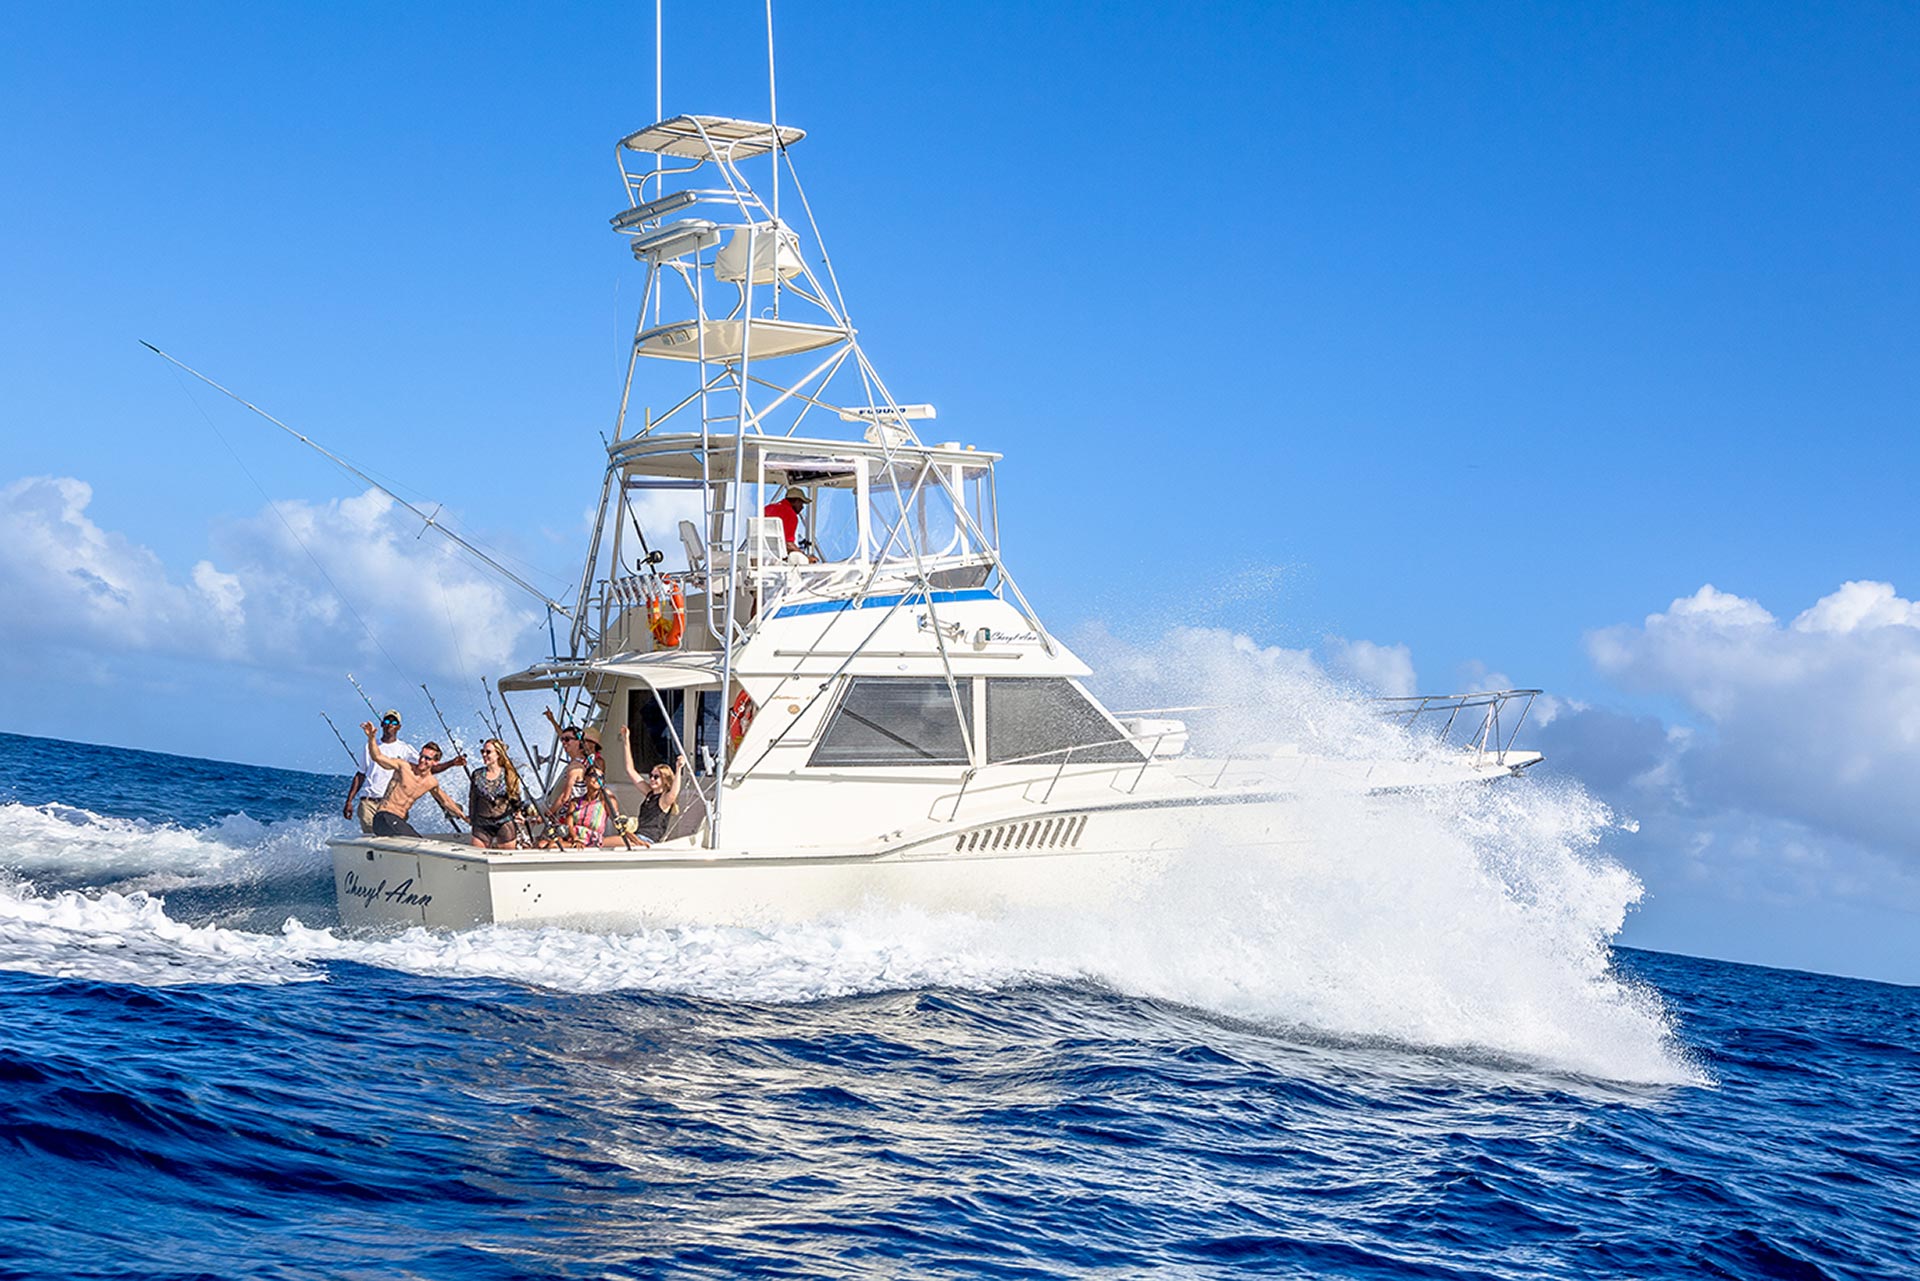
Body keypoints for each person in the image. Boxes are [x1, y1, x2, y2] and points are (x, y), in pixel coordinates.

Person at [362, 722, 468, 838]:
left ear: (435, 762)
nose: (422, 760)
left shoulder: (431, 782)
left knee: (417, 841)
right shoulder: (404, 766)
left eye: (427, 758)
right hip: (384, 817)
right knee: (418, 842)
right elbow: (378, 757)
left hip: (398, 822)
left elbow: (446, 801)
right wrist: (371, 738)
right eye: (421, 756)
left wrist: (464, 817)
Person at [619, 726, 706, 846]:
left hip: (646, 840)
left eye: (656, 777)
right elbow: (630, 770)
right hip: (636, 836)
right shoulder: (650, 793)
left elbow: (674, 792)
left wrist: (678, 768)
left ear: (665, 781)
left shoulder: (664, 800)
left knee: (603, 842)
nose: (652, 779)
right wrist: (626, 740)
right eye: (651, 775)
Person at [343, 710, 416, 833]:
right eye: (387, 721)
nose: (390, 724)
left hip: (393, 805)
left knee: (394, 835)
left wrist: (450, 763)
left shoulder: (405, 749)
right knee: (373, 836)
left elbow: (425, 766)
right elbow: (360, 774)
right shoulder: (370, 746)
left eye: (394, 722)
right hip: (369, 802)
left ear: (399, 727)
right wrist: (349, 801)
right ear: (382, 724)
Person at [467, 739, 525, 850]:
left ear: (498, 754)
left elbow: (515, 799)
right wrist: (471, 818)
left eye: (488, 752)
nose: (484, 755)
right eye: (482, 751)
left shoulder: (509, 774)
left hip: (504, 822)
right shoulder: (477, 774)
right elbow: (473, 799)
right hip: (482, 823)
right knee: (478, 857)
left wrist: (519, 813)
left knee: (507, 859)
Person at [539, 765, 611, 849]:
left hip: (592, 840)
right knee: (541, 844)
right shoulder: (575, 802)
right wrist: (575, 838)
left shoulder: (605, 801)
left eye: (601, 777)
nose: (597, 779)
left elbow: (616, 819)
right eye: (593, 775)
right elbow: (569, 824)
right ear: (585, 778)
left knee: (553, 845)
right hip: (574, 838)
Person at [763, 484, 809, 551]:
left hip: (759, 553)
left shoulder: (768, 508)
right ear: (796, 501)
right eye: (801, 503)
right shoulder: (791, 515)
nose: (802, 507)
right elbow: (788, 545)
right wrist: (806, 557)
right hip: (777, 556)